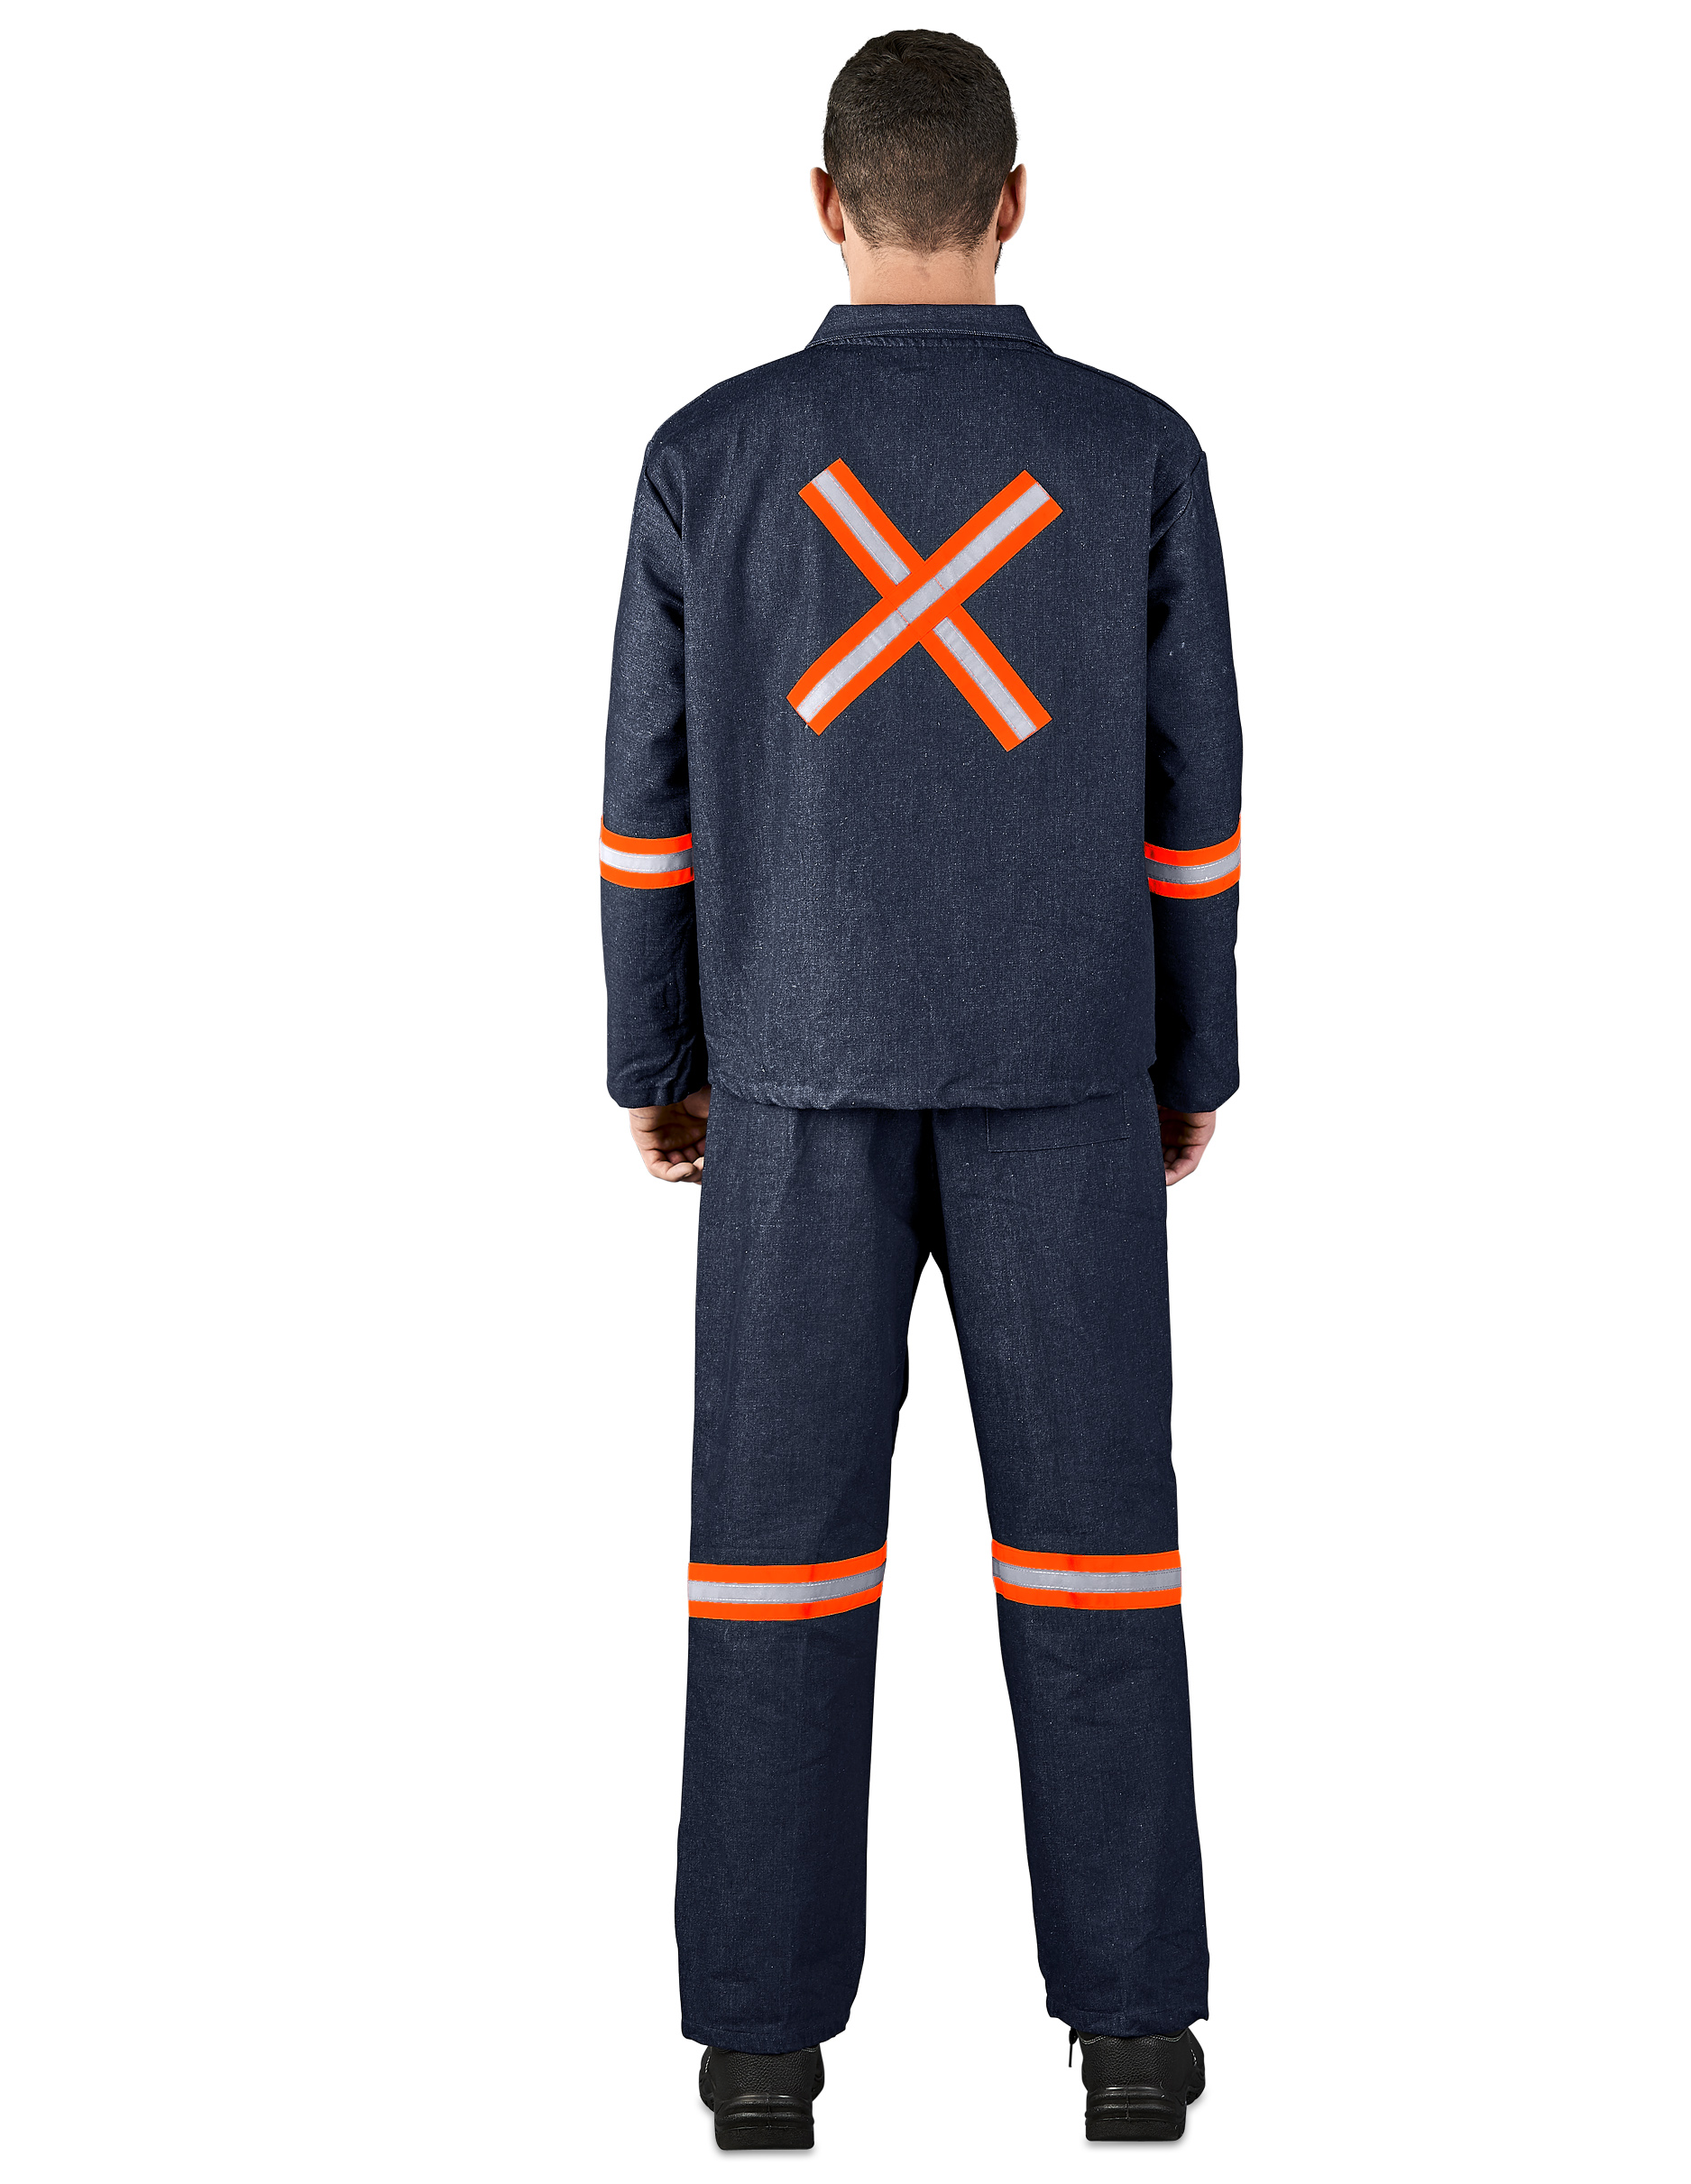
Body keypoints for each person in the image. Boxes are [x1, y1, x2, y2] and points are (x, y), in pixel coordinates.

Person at [599, 28, 1241, 2150]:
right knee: (1096, 1554)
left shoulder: (707, 457)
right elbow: (1191, 807)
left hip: (790, 1081)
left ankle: (756, 2044)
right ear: (1013, 199)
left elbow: (645, 808)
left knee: (773, 1563)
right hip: (1068, 1072)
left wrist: (652, 1055)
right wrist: (1191, 1052)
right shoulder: (1132, 452)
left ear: (821, 202)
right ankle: (1133, 2035)